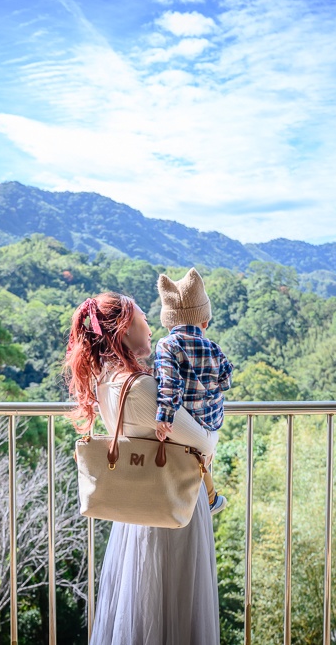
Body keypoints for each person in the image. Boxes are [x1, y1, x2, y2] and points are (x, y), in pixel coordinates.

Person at [63, 292, 221, 644]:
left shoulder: (106, 379)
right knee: (173, 606)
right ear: (123, 329)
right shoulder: (141, 388)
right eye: (141, 319)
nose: (150, 327)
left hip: (137, 510)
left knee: (141, 609)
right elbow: (205, 442)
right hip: (169, 505)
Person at [155, 268, 233, 514]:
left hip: (185, 421)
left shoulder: (167, 344)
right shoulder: (214, 347)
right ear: (205, 321)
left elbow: (169, 383)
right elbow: (226, 379)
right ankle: (209, 498)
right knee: (201, 454)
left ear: (168, 322)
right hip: (210, 421)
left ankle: (202, 498)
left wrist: (164, 418)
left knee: (183, 448)